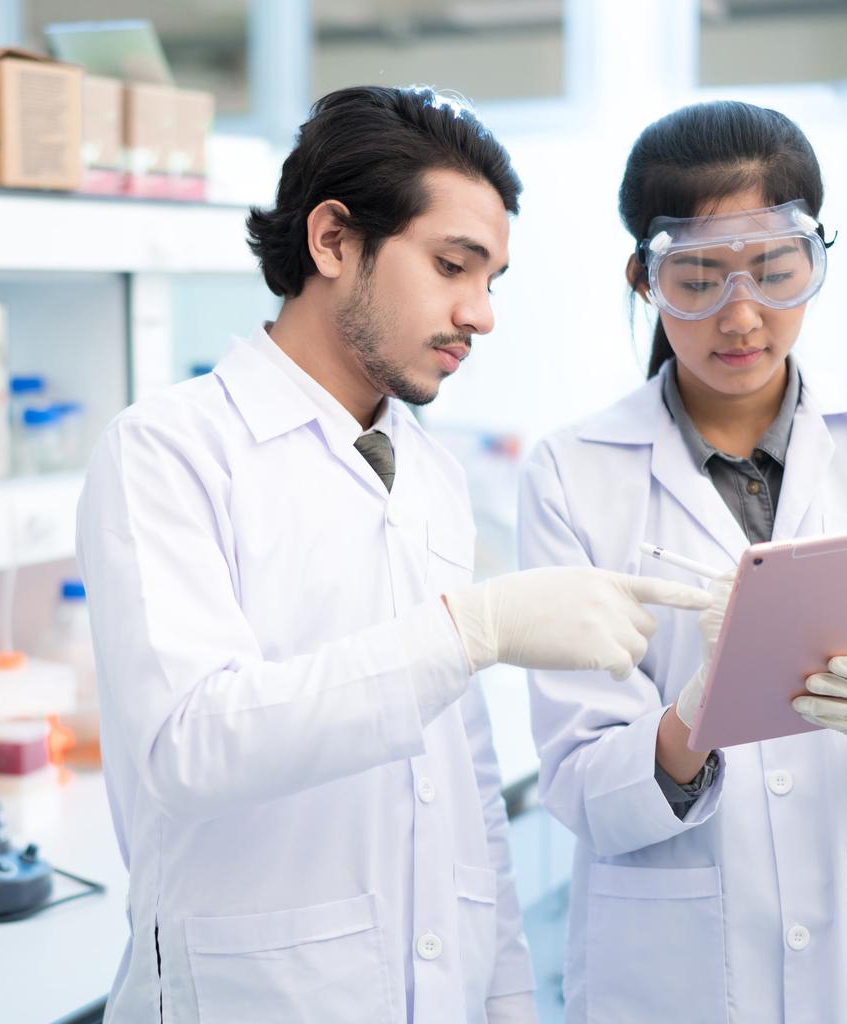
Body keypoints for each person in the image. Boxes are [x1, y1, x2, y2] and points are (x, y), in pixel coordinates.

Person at [76, 85, 711, 1023]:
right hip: (255, 992)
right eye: (454, 266)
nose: (481, 313)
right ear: (334, 241)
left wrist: (502, 998)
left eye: (492, 280)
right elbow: (190, 745)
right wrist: (468, 632)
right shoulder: (168, 450)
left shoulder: (428, 471)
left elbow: (462, 785)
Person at [518, 99, 847, 1023]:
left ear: (815, 261)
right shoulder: (573, 472)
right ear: (645, 278)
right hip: (677, 975)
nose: (742, 314)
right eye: (699, 278)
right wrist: (693, 719)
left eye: (774, 270)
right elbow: (577, 777)